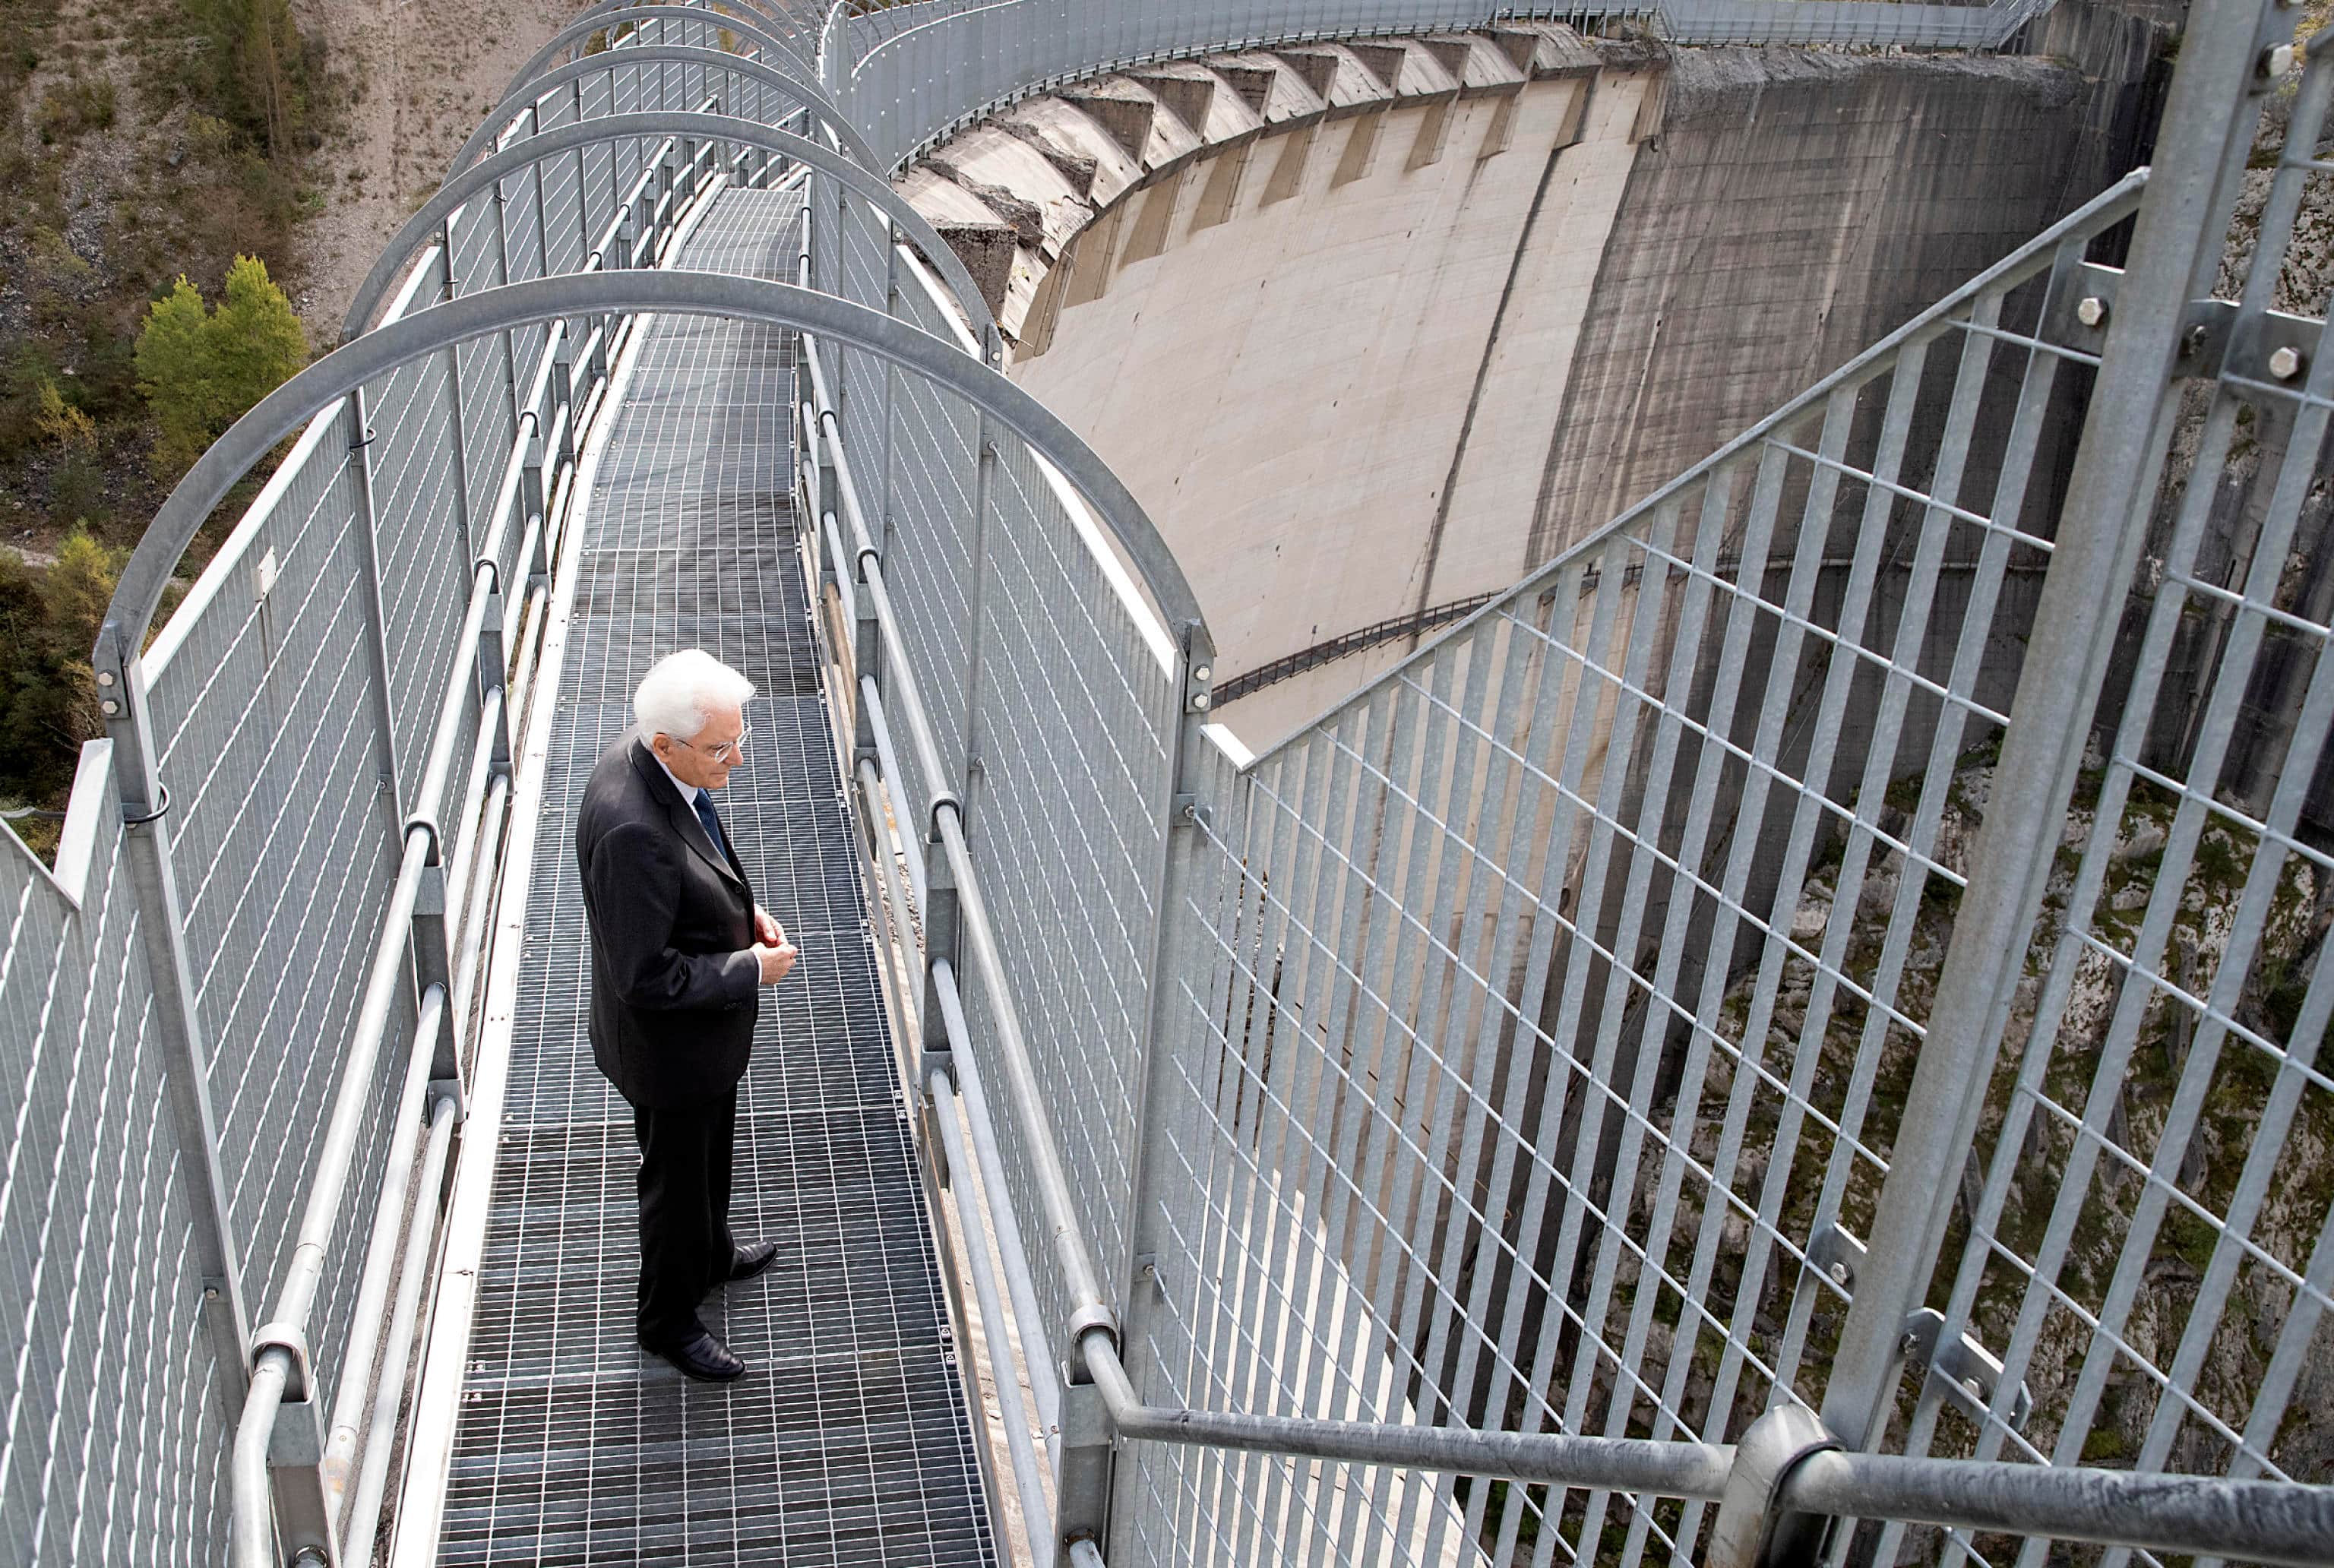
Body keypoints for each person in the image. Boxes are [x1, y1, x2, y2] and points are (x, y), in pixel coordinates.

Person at [575, 648, 798, 1382]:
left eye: (739, 739)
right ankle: (667, 1321)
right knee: (675, 1188)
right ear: (668, 745)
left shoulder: (657, 756)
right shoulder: (631, 830)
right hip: (668, 1053)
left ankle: (711, 1254)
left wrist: (742, 915)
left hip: (701, 1043)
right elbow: (643, 977)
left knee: (709, 1159)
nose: (738, 760)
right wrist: (750, 968)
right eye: (720, 749)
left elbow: (696, 853)